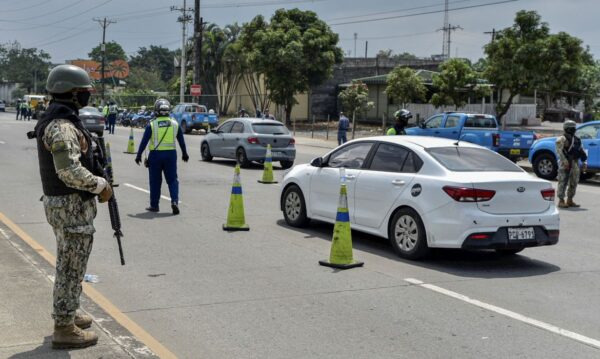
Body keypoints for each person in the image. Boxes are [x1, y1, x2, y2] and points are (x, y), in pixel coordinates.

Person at [33, 64, 113, 349]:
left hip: (65, 207)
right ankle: (64, 327)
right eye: (84, 92)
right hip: (70, 208)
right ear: (72, 93)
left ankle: (69, 309)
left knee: (72, 263)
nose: (87, 96)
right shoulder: (63, 127)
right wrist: (101, 186)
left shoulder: (59, 121)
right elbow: (69, 171)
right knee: (70, 266)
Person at [135, 99, 189, 214]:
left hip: (155, 156)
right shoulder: (175, 124)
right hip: (171, 155)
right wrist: (184, 153)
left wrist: (139, 155)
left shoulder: (152, 124)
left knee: (155, 181)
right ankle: (174, 201)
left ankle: (154, 205)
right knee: (173, 180)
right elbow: (181, 141)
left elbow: (144, 142)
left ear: (156, 110)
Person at [556, 119, 588, 208]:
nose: (573, 130)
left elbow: (582, 151)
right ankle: (561, 200)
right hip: (565, 163)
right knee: (563, 181)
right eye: (571, 128)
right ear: (566, 128)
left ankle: (570, 200)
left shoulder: (577, 139)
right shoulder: (561, 138)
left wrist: (585, 162)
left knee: (574, 182)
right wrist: (565, 161)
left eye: (573, 128)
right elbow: (559, 151)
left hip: (575, 163)